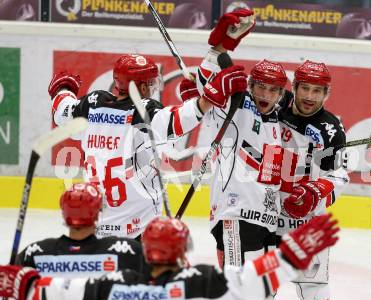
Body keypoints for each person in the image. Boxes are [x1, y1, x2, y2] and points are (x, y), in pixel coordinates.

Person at [0, 214, 340, 300]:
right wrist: (289, 256)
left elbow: (53, 295)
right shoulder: (199, 283)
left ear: (145, 251)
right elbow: (249, 283)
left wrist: (21, 282)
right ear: (182, 253)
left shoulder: (109, 286)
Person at [49, 53, 247, 239]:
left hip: (96, 226)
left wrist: (63, 90)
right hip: (138, 228)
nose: (153, 88)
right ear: (141, 88)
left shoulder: (91, 105)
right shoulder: (145, 112)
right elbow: (181, 120)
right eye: (151, 83)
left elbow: (61, 111)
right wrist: (209, 96)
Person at [181, 8, 289, 300]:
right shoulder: (238, 104)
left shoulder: (279, 123)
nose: (265, 94)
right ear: (252, 85)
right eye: (261, 87)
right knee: (238, 294)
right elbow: (208, 82)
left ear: (281, 93)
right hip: (234, 218)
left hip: (267, 224)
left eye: (273, 90)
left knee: (266, 297)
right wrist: (220, 48)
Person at [277, 60, 350, 300]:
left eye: (317, 91)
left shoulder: (331, 130)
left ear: (326, 94)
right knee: (259, 290)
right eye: (305, 88)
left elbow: (340, 175)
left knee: (313, 285)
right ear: (294, 87)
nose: (309, 96)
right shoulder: (275, 103)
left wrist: (315, 192)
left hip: (307, 220)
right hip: (265, 213)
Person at [9, 182, 145, 300]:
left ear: (64, 214)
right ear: (97, 215)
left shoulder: (36, 253)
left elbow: (8, 292)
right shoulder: (126, 251)